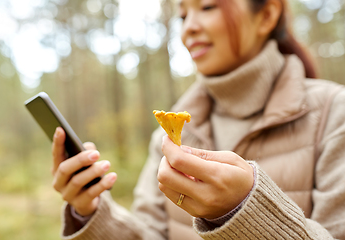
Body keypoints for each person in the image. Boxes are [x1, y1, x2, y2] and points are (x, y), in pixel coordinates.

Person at [51, 0, 345, 239]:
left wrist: (245, 211)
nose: (188, 28)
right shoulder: (169, 135)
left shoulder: (334, 114)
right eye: (182, 15)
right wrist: (89, 212)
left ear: (267, 15)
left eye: (206, 7)